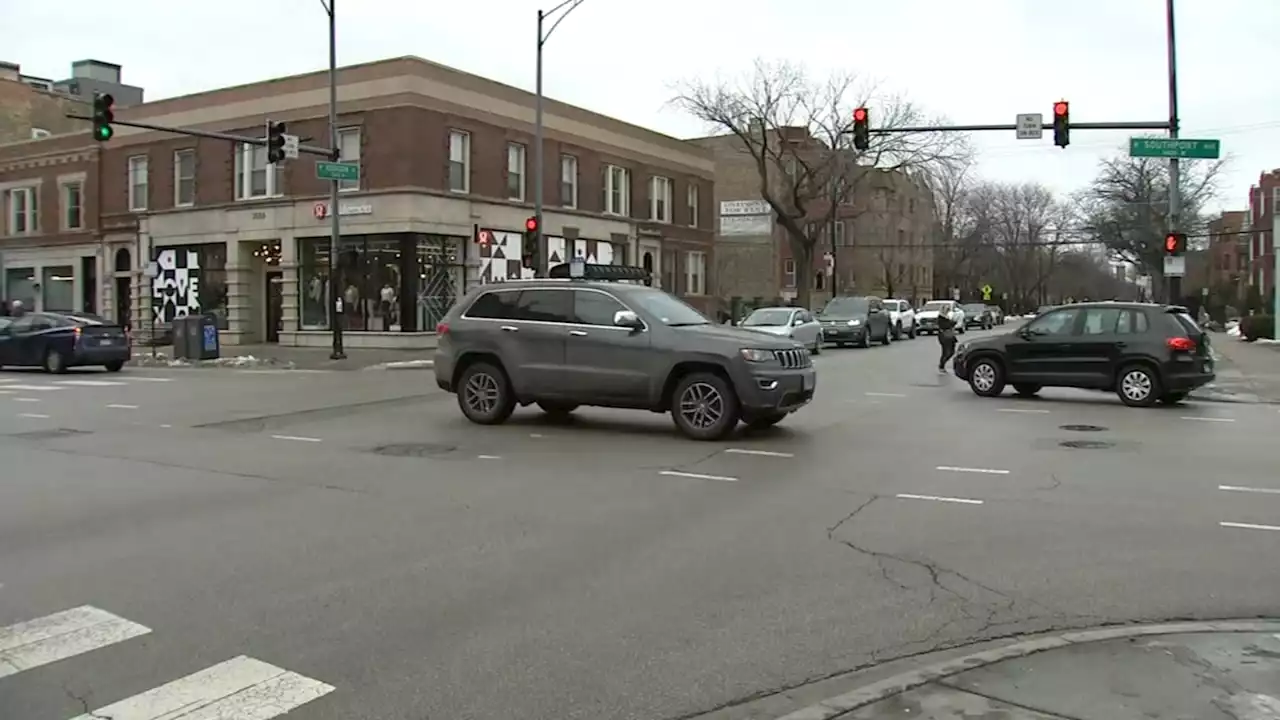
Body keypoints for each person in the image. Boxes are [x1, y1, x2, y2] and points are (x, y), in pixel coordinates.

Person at [936, 306, 957, 372]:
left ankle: (942, 364)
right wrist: (952, 323)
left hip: (950, 336)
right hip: (944, 337)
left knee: (952, 352)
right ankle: (941, 366)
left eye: (948, 310)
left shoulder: (947, 316)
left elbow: (951, 324)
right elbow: (945, 326)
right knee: (945, 352)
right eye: (946, 310)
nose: (947, 311)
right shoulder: (940, 318)